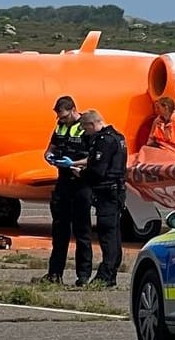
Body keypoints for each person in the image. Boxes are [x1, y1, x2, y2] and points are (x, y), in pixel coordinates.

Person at [41, 95, 92, 285]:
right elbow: (50, 148)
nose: (60, 121)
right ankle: (54, 274)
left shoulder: (85, 126)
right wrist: (49, 156)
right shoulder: (60, 127)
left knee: (82, 231)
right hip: (63, 182)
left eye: (63, 117)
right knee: (59, 231)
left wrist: (75, 163)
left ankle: (83, 275)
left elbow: (94, 156)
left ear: (72, 110)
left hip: (80, 182)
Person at [78, 109, 127, 288]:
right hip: (117, 190)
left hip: (107, 191)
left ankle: (106, 273)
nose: (85, 133)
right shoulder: (119, 137)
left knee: (107, 235)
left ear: (92, 124)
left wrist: (81, 173)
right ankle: (109, 272)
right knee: (114, 234)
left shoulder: (103, 140)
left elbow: (99, 170)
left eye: (85, 129)